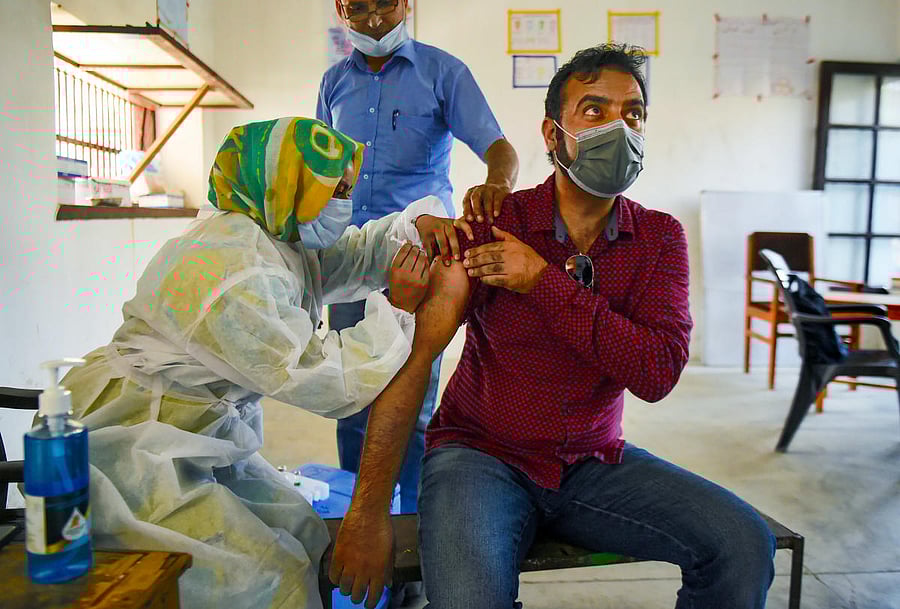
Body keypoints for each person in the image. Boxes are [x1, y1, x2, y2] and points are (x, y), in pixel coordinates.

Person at [329, 44, 777, 609]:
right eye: (594, 110)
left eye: (633, 113)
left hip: (593, 463)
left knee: (742, 544)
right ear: (551, 133)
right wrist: (368, 511)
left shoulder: (659, 239)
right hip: (479, 457)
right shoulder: (497, 225)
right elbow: (414, 363)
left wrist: (542, 282)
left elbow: (657, 371)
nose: (619, 127)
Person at [55, 117, 461, 609]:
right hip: (137, 448)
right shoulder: (230, 272)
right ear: (286, 185)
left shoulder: (273, 234)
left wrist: (412, 231)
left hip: (199, 439)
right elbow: (330, 380)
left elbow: (349, 256)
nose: (343, 204)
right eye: (333, 191)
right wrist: (399, 308)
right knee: (271, 580)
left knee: (307, 536)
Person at [317, 0, 519, 516]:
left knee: (410, 399)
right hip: (350, 263)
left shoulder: (442, 72)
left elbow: (499, 148)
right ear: (341, 9)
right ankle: (357, 519)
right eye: (357, 8)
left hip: (420, 255)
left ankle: (408, 527)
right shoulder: (333, 82)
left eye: (386, 4)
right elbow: (319, 167)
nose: (374, 20)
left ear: (405, 4)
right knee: (351, 395)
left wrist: (496, 185)